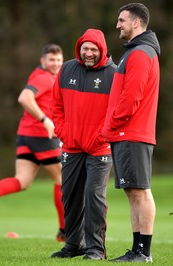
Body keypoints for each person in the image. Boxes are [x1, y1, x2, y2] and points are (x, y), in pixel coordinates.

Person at [0, 44, 66, 242]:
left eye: (58, 60)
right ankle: (65, 231)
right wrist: (45, 120)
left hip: (25, 134)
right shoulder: (44, 78)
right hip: (41, 136)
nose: (55, 64)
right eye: (51, 60)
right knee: (62, 180)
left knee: (22, 181)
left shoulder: (40, 74)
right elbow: (24, 97)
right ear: (43, 61)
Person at [50, 29, 116, 260]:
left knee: (94, 196)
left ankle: (96, 249)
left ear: (102, 50)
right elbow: (55, 106)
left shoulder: (114, 74)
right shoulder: (66, 69)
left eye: (93, 49)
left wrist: (101, 136)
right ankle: (73, 244)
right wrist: (64, 133)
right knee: (69, 195)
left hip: (100, 148)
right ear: (79, 48)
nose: (88, 53)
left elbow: (117, 113)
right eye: (85, 48)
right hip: (71, 146)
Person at [102, 3, 161, 263]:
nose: (118, 25)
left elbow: (131, 99)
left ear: (136, 23)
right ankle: (136, 249)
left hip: (132, 132)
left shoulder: (139, 53)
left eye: (122, 20)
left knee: (140, 191)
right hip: (127, 133)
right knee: (132, 192)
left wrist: (110, 125)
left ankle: (143, 252)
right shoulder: (135, 52)